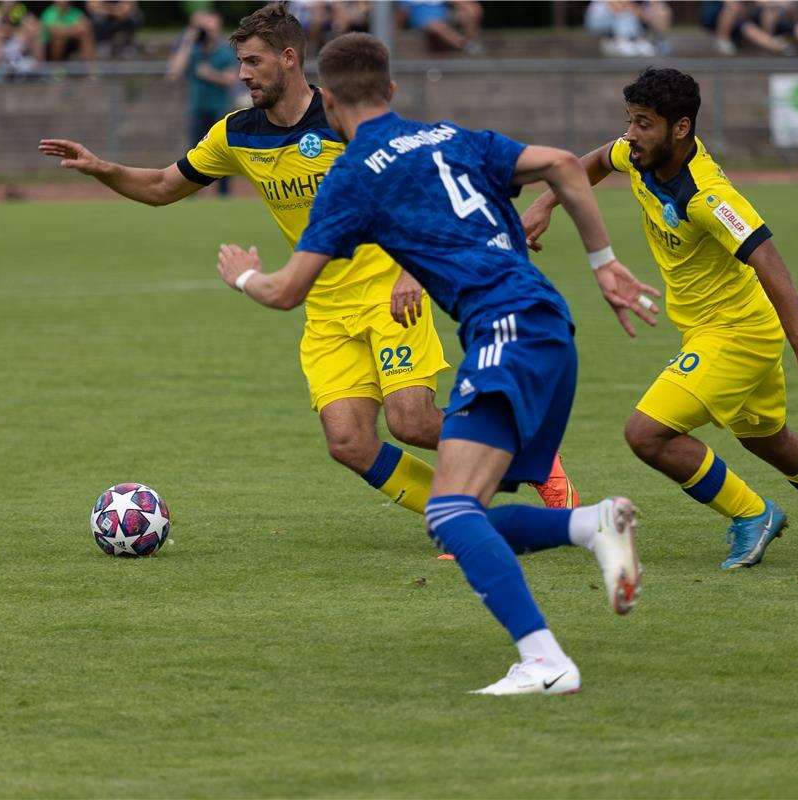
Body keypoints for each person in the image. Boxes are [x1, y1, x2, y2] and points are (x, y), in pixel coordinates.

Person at [214, 31, 660, 695]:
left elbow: (285, 293)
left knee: (451, 515)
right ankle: (591, 524)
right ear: (392, 90)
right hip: (548, 324)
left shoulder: (351, 177)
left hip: (504, 330)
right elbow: (567, 164)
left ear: (327, 101)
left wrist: (245, 276)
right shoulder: (452, 137)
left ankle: (545, 662)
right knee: (459, 513)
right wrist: (604, 265)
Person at [39, 4, 579, 526]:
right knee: (349, 442)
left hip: (388, 290)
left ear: (290, 58)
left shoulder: (346, 119)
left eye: (254, 62)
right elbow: (161, 186)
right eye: (240, 62)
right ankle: (460, 515)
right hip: (324, 308)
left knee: (411, 422)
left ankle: (534, 459)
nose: (242, 74)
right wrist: (101, 167)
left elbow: (423, 190)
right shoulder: (236, 134)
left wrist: (413, 271)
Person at [522, 67, 798, 570]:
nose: (631, 134)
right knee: (768, 440)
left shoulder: (709, 196)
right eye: (629, 120)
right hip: (724, 326)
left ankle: (751, 514)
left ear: (681, 128)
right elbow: (592, 161)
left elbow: (768, 257)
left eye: (644, 123)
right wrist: (547, 201)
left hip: (737, 333)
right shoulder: (637, 156)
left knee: (646, 434)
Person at [165, 9, 238, 197]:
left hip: (218, 109)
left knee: (224, 152)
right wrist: (188, 40)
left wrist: (210, 74)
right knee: (193, 151)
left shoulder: (224, 51)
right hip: (197, 108)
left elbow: (231, 79)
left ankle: (224, 194)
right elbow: (174, 71)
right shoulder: (194, 51)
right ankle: (191, 192)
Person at [585, 1, 673, 58]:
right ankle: (625, 41)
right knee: (626, 15)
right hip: (599, 22)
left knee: (662, 11)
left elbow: (661, 14)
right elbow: (617, 8)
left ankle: (658, 41)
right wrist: (642, 13)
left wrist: (655, 10)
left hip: (628, 22)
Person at [398, 0, 483, 54]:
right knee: (436, 25)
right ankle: (465, 46)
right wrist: (395, 32)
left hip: (444, 17)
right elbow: (402, 13)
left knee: (471, 10)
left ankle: (471, 42)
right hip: (423, 21)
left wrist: (470, 7)